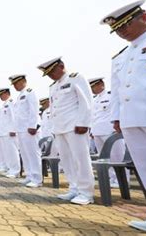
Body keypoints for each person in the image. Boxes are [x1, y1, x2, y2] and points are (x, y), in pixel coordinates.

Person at [100, 0, 146, 232]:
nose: (122, 32)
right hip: (131, 119)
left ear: (144, 17)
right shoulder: (120, 56)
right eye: (118, 29)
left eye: (125, 25)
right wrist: (117, 117)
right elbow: (118, 90)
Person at [37, 57, 95, 205]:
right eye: (48, 74)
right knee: (67, 160)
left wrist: (84, 122)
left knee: (80, 159)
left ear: (61, 66)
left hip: (75, 127)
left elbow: (86, 101)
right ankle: (74, 188)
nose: (50, 75)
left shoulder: (76, 78)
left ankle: (86, 193)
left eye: (52, 71)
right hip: (59, 128)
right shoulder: (53, 86)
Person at [88, 77, 128, 188]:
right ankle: (111, 178)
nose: (92, 89)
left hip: (110, 131)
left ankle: (122, 181)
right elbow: (93, 116)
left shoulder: (111, 96)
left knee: (117, 157)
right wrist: (92, 129)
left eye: (94, 86)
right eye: (91, 87)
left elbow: (117, 111)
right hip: (97, 132)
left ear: (101, 84)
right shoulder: (94, 100)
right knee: (104, 158)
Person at [10, 74, 42, 187]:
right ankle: (29, 176)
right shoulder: (20, 96)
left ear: (23, 81)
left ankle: (37, 179)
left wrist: (33, 125)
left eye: (16, 83)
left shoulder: (30, 92)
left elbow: (34, 109)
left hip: (29, 129)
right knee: (25, 154)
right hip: (21, 129)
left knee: (33, 153)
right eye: (13, 84)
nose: (14, 86)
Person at [0, 88, 21, 178]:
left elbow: (14, 116)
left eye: (1, 94)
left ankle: (15, 171)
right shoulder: (4, 104)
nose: (0, 97)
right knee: (7, 152)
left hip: (10, 132)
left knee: (13, 152)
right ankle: (10, 169)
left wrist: (14, 129)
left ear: (7, 93)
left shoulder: (11, 102)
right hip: (4, 132)